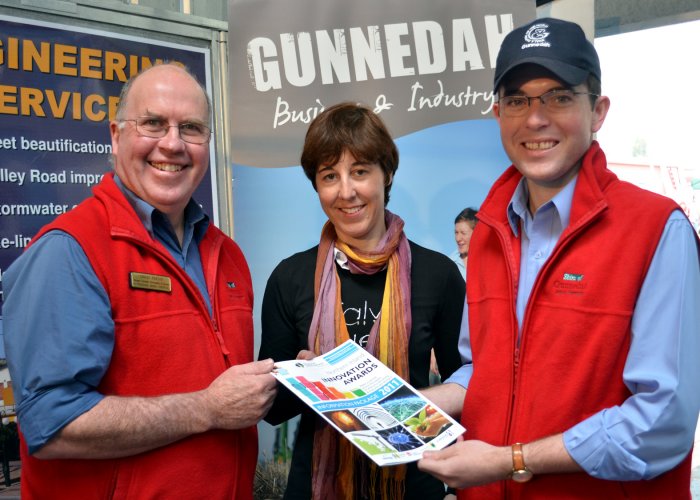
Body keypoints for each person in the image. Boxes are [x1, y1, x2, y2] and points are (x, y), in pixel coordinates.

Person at [417, 17, 700, 499]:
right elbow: (483, 371)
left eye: (559, 97)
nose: (535, 118)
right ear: (498, 113)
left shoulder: (657, 230)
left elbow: (662, 423)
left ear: (598, 111)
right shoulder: (488, 233)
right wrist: (400, 406)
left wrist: (511, 461)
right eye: (517, 100)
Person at [2, 63, 277, 499]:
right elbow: (51, 424)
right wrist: (206, 409)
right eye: (153, 123)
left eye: (191, 128)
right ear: (116, 137)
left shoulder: (227, 256)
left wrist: (303, 378)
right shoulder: (70, 250)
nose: (172, 144)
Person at [258, 102, 465, 500]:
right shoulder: (290, 277)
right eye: (329, 176)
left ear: (387, 174)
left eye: (360, 171)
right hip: (314, 487)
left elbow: (468, 387)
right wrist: (306, 381)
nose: (346, 191)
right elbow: (274, 410)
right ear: (316, 186)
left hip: (413, 486)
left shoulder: (437, 275)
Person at [450, 207, 478, 280]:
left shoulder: (489, 262)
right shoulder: (449, 264)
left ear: (476, 233)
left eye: (463, 233)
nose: (458, 238)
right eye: (456, 233)